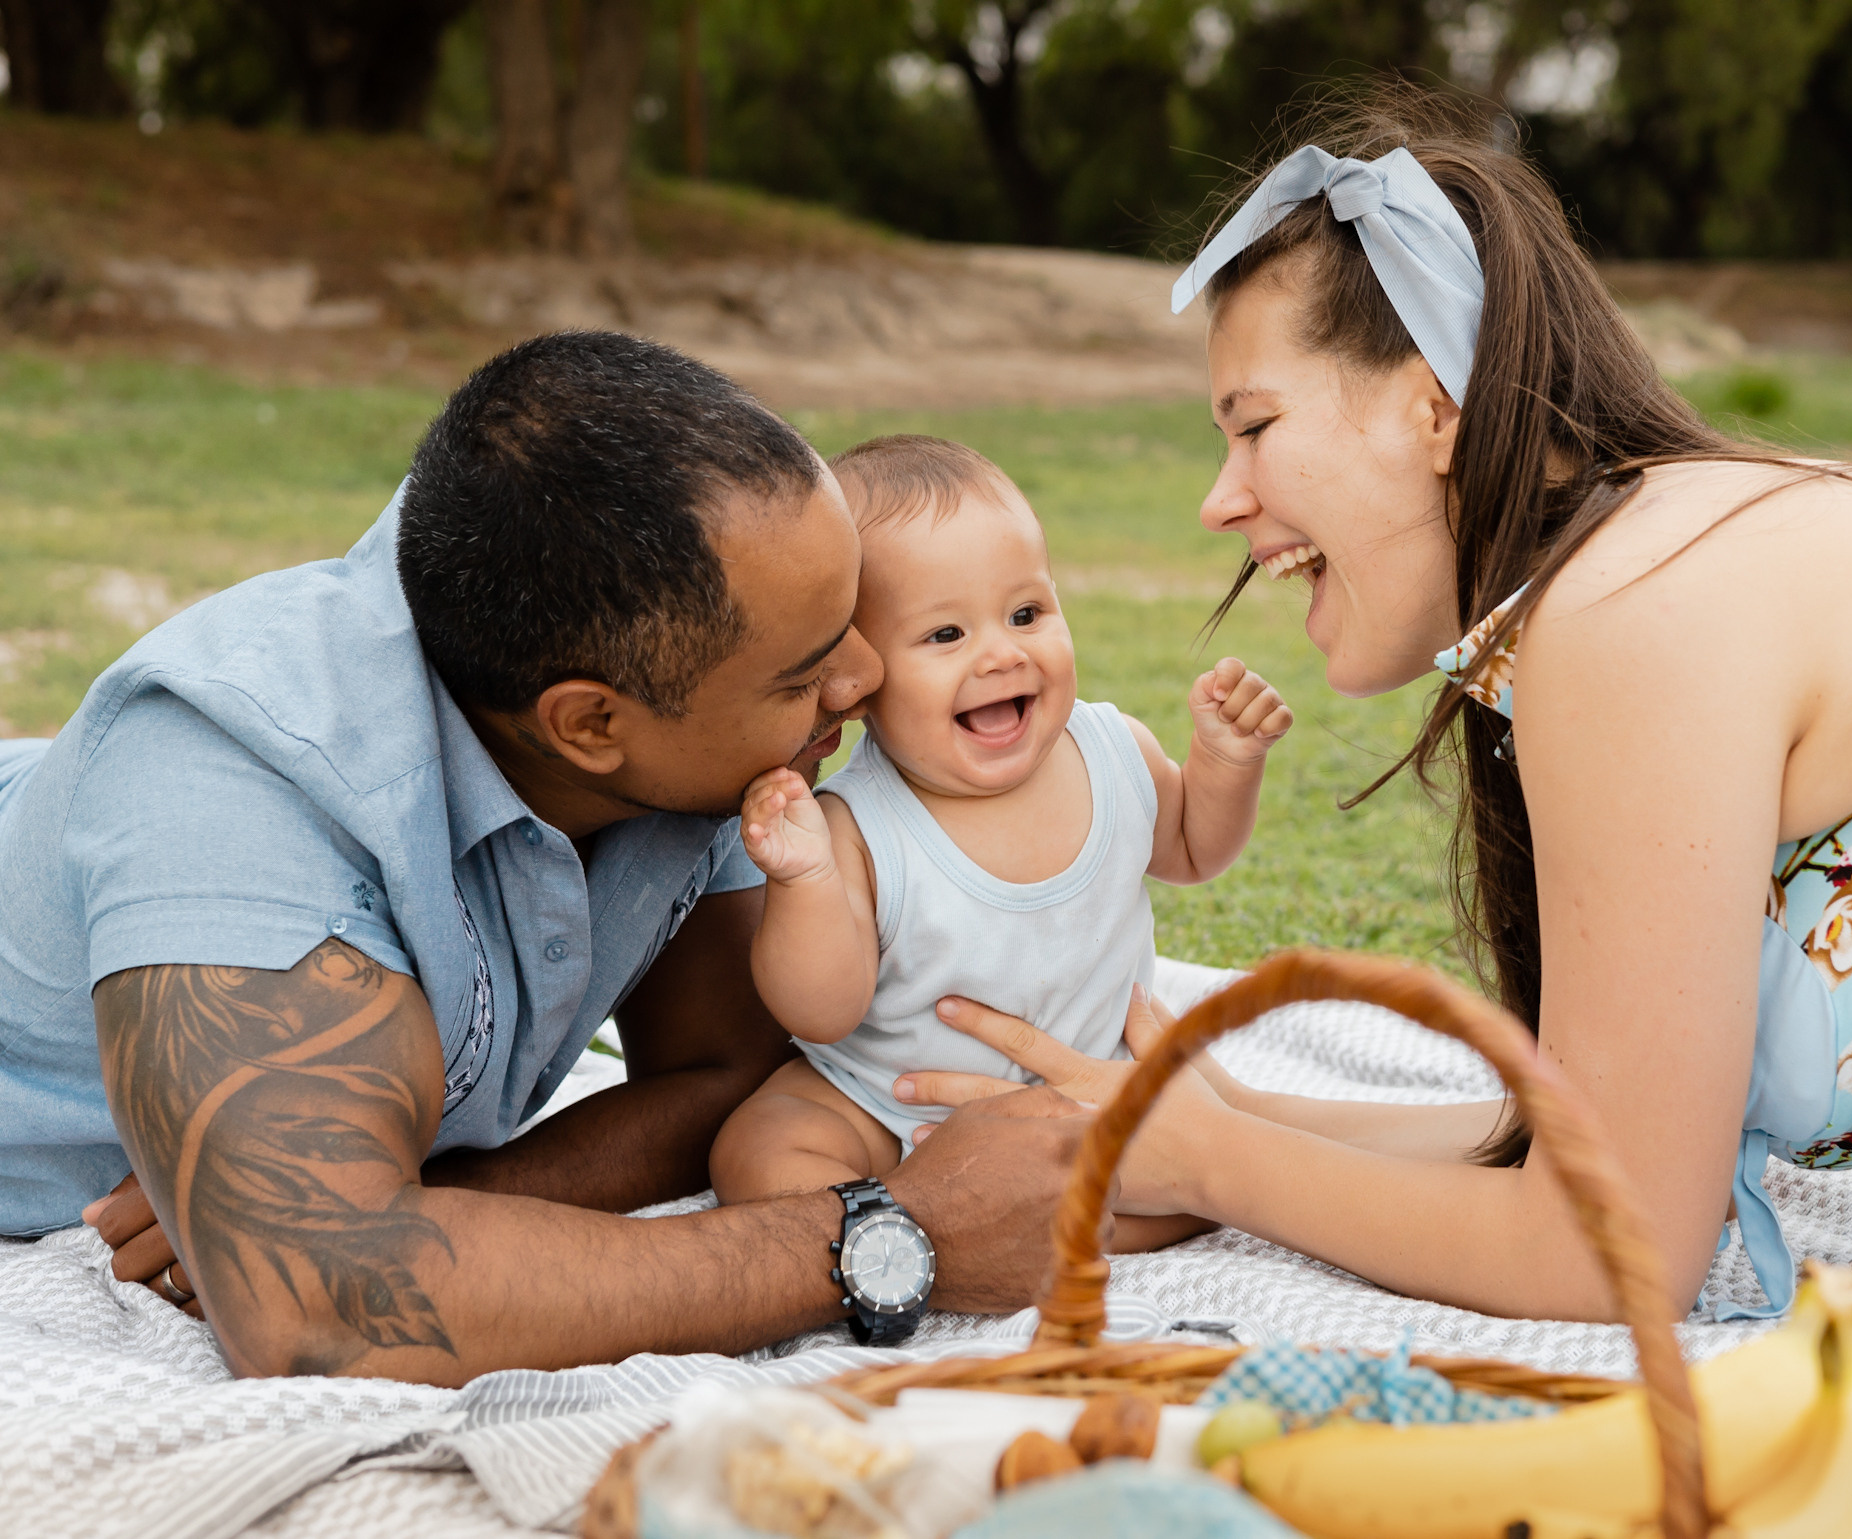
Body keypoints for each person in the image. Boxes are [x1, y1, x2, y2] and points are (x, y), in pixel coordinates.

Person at [885, 89, 1852, 1325]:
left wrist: (1202, 1161)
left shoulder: (1632, 612)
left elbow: (1606, 1251)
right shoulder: (1649, 559)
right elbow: (1586, 1147)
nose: (1220, 502)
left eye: (1255, 426)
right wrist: (1206, 1115)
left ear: (1433, 408)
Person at [0, 332, 1091, 1384]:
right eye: (802, 675)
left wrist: (429, 1200)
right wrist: (892, 1236)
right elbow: (321, 1315)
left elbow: (742, 1069)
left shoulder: (641, 651)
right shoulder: (223, 787)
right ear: (588, 726)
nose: (861, 678)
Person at [706, 435, 1290, 1260]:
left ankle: (1010, 1221)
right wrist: (803, 879)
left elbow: (1193, 848)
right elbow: (820, 1009)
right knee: (760, 1148)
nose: (1002, 652)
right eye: (945, 634)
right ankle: (911, 1216)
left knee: (1193, 1168)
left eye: (1027, 613)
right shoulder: (858, 823)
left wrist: (1225, 766)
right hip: (888, 1105)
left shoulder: (1112, 751)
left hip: (1084, 1091)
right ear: (862, 680)